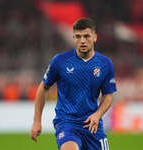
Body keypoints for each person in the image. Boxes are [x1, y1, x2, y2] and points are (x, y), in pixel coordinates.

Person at [30, 18, 117, 150]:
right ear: (73, 38)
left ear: (94, 37)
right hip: (67, 122)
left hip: (92, 124)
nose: (82, 40)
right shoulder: (60, 61)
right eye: (78, 36)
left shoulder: (105, 64)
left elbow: (108, 96)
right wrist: (37, 121)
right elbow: (44, 87)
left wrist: (97, 115)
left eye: (86, 36)